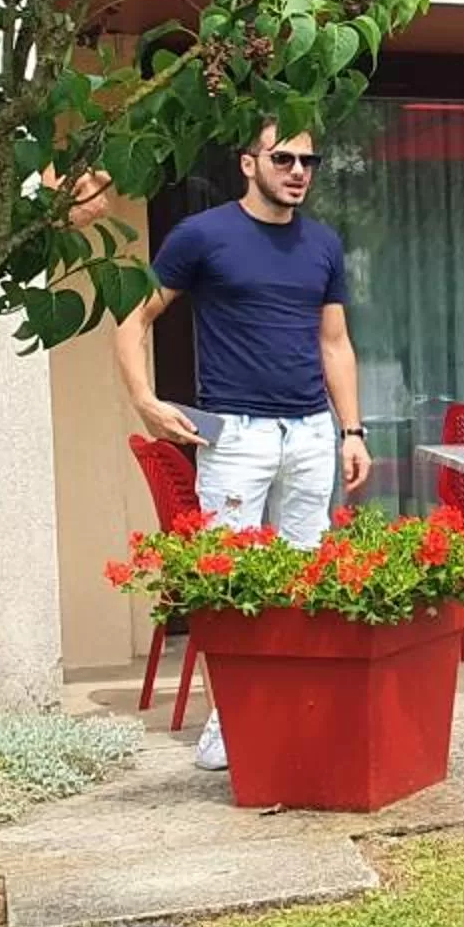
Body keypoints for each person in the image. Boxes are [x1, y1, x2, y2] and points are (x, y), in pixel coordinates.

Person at [112, 122, 373, 770]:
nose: (298, 170)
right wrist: (146, 401)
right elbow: (134, 320)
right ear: (248, 164)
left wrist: (353, 430)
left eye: (308, 160)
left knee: (305, 577)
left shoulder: (323, 243)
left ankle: (297, 710)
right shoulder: (203, 236)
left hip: (312, 431)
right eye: (282, 157)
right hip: (235, 434)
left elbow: (334, 342)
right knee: (230, 581)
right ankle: (227, 721)